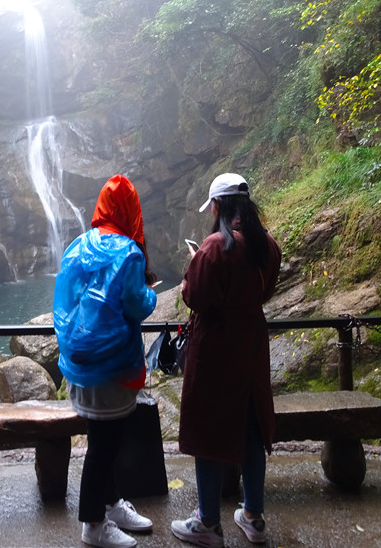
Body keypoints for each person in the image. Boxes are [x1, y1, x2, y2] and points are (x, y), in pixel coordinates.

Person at [171, 173, 282, 547]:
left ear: (217, 206)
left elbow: (196, 297)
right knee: (251, 420)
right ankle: (253, 516)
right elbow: (264, 290)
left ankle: (207, 523)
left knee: (209, 427)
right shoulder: (267, 244)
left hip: (216, 346)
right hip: (251, 342)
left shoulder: (215, 246)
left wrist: (192, 268)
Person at [53, 174, 159, 548]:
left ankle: (112, 505)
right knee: (102, 449)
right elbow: (135, 304)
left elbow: (68, 302)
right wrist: (152, 297)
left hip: (80, 366)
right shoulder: (128, 253)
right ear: (131, 210)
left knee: (104, 440)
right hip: (112, 368)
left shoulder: (77, 246)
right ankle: (92, 526)